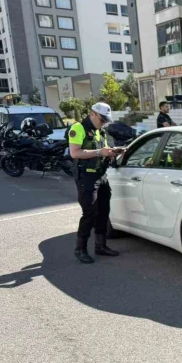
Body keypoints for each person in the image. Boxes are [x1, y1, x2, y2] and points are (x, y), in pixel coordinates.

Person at [68, 102, 124, 264]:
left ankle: (101, 245)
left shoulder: (101, 130)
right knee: (90, 213)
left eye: (106, 120)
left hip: (101, 175)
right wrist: (100, 152)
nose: (104, 122)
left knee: (104, 210)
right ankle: (80, 249)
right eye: (102, 119)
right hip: (86, 177)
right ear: (92, 114)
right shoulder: (78, 128)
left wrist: (113, 152)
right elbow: (75, 152)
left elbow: (103, 150)